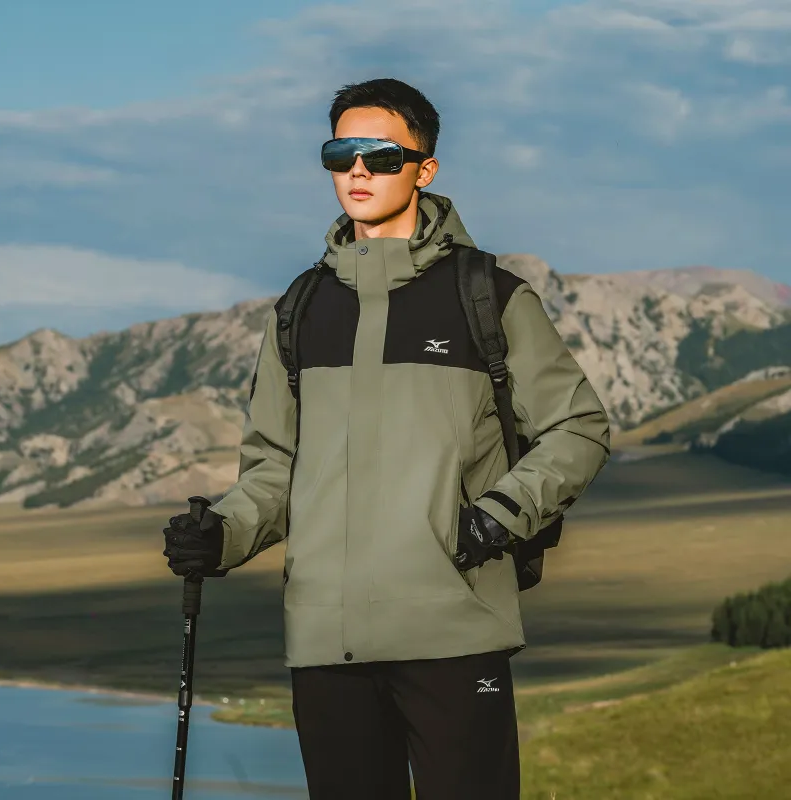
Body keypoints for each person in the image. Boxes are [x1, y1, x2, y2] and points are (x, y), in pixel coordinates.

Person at [163, 77, 611, 800]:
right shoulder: (300, 309)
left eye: (381, 155)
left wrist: (498, 517)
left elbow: (578, 427)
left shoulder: (490, 297)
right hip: (324, 638)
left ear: (424, 168)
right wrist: (222, 533)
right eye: (340, 154)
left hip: (455, 628)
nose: (358, 171)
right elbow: (274, 466)